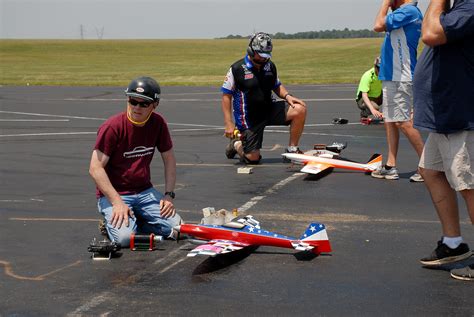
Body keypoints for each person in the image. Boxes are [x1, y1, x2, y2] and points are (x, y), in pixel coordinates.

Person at [413, 0, 474, 281]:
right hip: (444, 116)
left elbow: (431, 35)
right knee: (431, 171)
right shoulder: (456, 9)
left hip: (460, 116)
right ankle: (453, 243)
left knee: (469, 185)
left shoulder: (469, 7)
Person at [89, 76, 182, 247]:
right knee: (125, 239)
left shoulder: (158, 123)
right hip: (115, 195)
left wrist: (168, 195)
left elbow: (169, 158)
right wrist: (117, 202)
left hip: (144, 191)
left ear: (155, 105)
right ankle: (110, 225)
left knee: (178, 228)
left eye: (144, 103)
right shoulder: (112, 127)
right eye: (133, 101)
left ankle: (136, 219)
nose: (137, 107)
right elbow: (95, 169)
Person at [221, 32, 307, 164]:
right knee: (253, 158)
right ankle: (236, 144)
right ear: (251, 50)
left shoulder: (269, 66)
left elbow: (276, 85)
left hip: (269, 109)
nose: (264, 59)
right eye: (261, 55)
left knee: (299, 109)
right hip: (250, 119)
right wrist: (228, 123)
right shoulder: (236, 69)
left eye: (266, 56)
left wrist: (287, 96)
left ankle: (292, 149)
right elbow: (226, 96)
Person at [371, 0, 425, 182]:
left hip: (401, 76)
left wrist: (386, 3)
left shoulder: (408, 11)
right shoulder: (405, 12)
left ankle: (428, 166)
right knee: (390, 120)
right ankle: (391, 165)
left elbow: (378, 25)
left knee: (403, 122)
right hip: (392, 75)